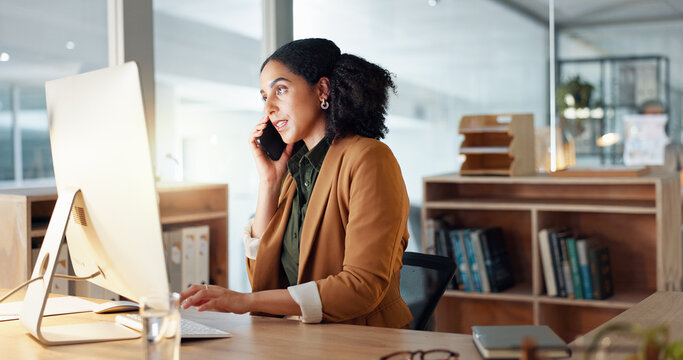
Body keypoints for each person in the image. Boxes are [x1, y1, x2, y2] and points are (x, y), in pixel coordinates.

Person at [180, 38, 412, 328]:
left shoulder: (369, 158)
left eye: (281, 90)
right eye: (264, 96)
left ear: (322, 90)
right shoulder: (294, 173)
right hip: (303, 340)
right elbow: (263, 279)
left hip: (363, 341)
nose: (269, 108)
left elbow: (361, 287)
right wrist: (269, 182)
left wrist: (242, 302)